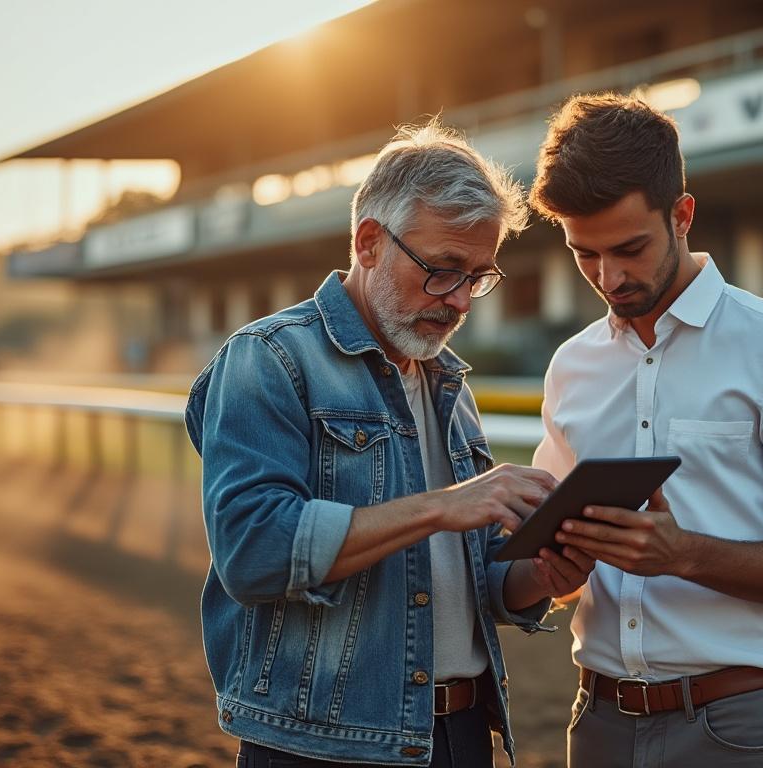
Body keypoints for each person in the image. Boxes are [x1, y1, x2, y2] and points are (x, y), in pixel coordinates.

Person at [185, 121, 595, 768]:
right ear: (369, 242)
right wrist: (441, 506)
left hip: (462, 738)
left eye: (477, 276)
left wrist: (540, 575)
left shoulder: (446, 380)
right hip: (322, 747)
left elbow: (480, 580)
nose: (460, 299)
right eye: (442, 269)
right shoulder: (269, 359)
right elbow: (253, 551)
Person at [529, 93, 763, 767]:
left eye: (630, 248)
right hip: (595, 727)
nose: (609, 277)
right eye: (584, 254)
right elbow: (559, 579)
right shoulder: (572, 365)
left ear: (682, 215)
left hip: (738, 730)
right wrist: (556, 566)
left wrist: (682, 554)